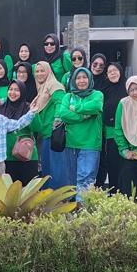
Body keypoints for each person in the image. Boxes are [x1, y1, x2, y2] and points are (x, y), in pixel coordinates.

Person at [55, 66, 104, 199]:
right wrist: (83, 116)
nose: (81, 81)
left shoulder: (97, 95)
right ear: (73, 80)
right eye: (78, 78)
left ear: (89, 79)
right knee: (71, 180)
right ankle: (73, 210)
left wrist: (75, 108)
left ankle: (82, 211)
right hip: (70, 143)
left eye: (84, 77)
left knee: (85, 179)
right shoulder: (68, 96)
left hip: (90, 144)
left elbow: (96, 107)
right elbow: (63, 114)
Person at [30, 61, 67, 188]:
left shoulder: (54, 85)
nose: (39, 74)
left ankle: (58, 200)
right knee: (47, 168)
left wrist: (56, 123)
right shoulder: (42, 88)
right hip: (45, 133)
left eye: (42, 70)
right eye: (37, 71)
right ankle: (48, 200)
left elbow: (61, 104)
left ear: (49, 71)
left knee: (56, 169)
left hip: (54, 134)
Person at [0, 79, 41, 184]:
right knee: (9, 193)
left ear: (22, 92)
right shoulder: (0, 109)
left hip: (27, 155)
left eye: (17, 90)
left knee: (29, 192)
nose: (13, 93)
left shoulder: (28, 107)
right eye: (11, 89)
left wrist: (33, 113)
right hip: (7, 156)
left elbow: (37, 128)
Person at [96, 61, 125, 189]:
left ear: (120, 71)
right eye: (109, 71)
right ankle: (114, 192)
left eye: (115, 70)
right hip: (109, 133)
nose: (112, 73)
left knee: (125, 165)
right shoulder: (104, 89)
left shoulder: (128, 88)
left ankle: (127, 193)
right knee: (112, 163)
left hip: (126, 133)